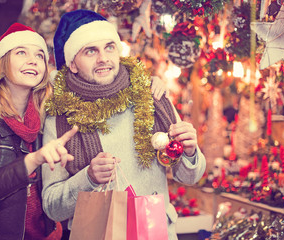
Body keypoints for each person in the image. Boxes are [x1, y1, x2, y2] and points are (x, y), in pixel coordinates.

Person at [41, 9, 206, 240]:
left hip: (156, 233)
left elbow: (189, 177)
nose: (103, 59)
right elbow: (51, 206)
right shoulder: (58, 118)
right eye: (90, 51)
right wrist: (87, 177)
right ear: (73, 64)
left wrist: (189, 152)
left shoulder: (151, 95)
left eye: (109, 47)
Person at [0, 22, 78, 240]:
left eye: (39, 55)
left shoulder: (45, 119)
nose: (33, 60)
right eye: (21, 52)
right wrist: (33, 160)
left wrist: (153, 81)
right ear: (2, 63)